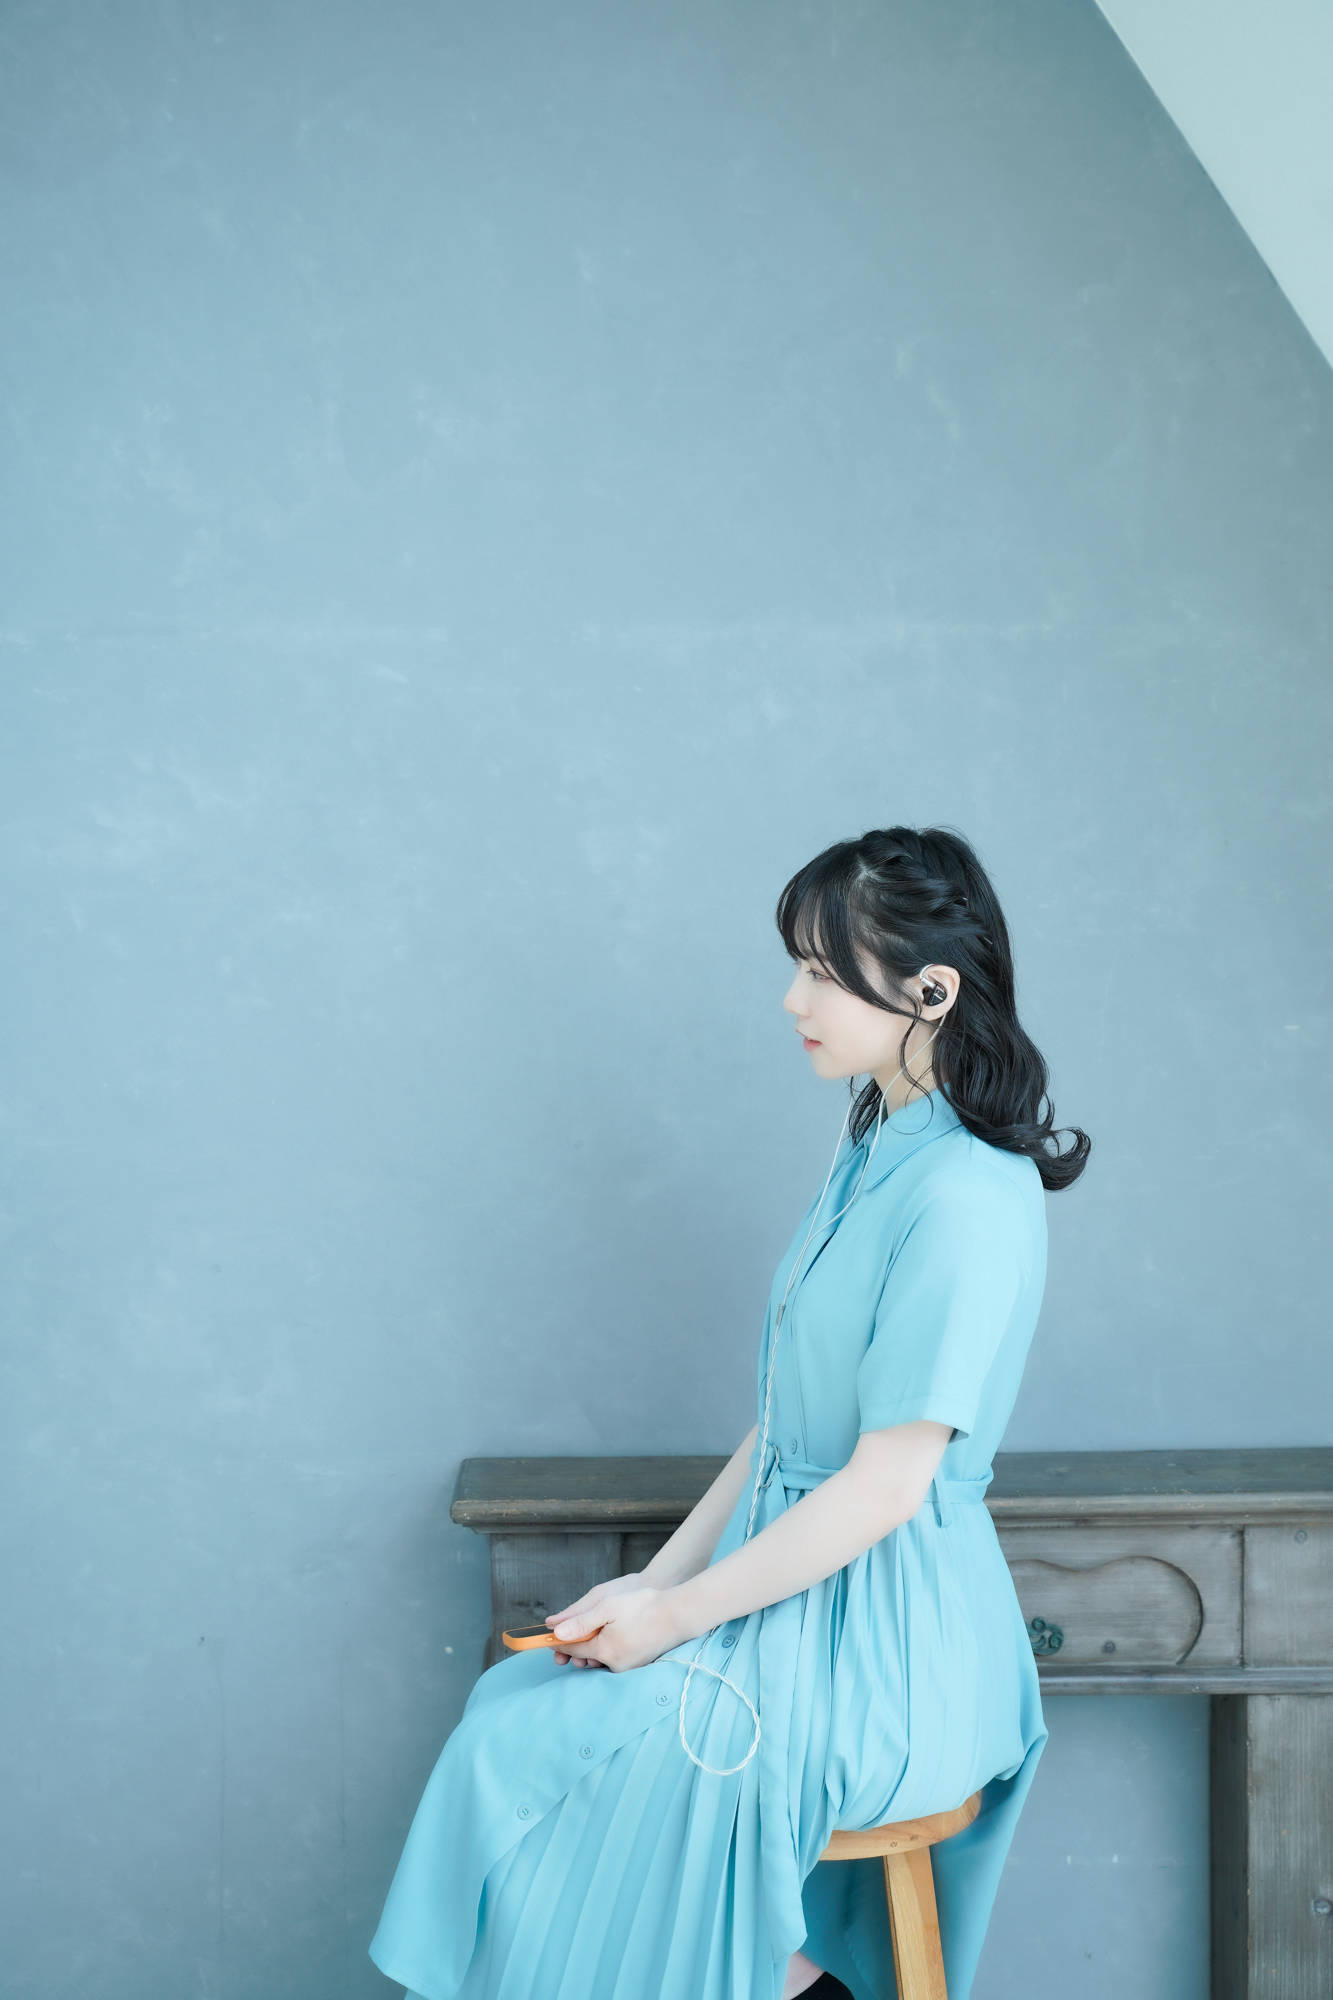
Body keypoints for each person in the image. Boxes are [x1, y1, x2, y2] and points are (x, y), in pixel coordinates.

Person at [368, 823, 1089, 2000]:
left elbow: (883, 1485)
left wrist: (674, 1616)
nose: (792, 999)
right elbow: (781, 1421)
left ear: (931, 990)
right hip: (794, 1593)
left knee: (553, 1741)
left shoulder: (966, 1193)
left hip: (885, 1633)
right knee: (516, 1703)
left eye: (821, 970)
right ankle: (779, 1975)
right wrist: (652, 1585)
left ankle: (777, 1975)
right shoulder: (872, 1147)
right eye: (796, 965)